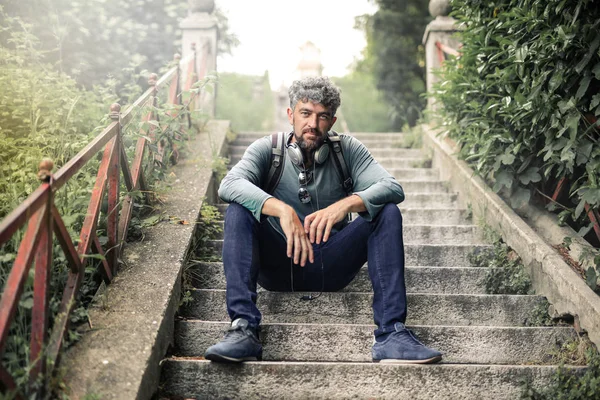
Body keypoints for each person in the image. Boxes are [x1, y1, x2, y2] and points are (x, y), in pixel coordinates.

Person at [205, 76, 442, 364]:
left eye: (322, 117)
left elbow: (392, 187)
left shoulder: (347, 150)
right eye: (305, 114)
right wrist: (281, 210)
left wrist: (344, 206)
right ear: (291, 114)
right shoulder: (267, 150)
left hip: (332, 263)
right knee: (239, 208)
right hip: (277, 264)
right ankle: (243, 328)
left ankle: (391, 334)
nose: (313, 124)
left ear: (332, 121)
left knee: (387, 211)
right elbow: (229, 185)